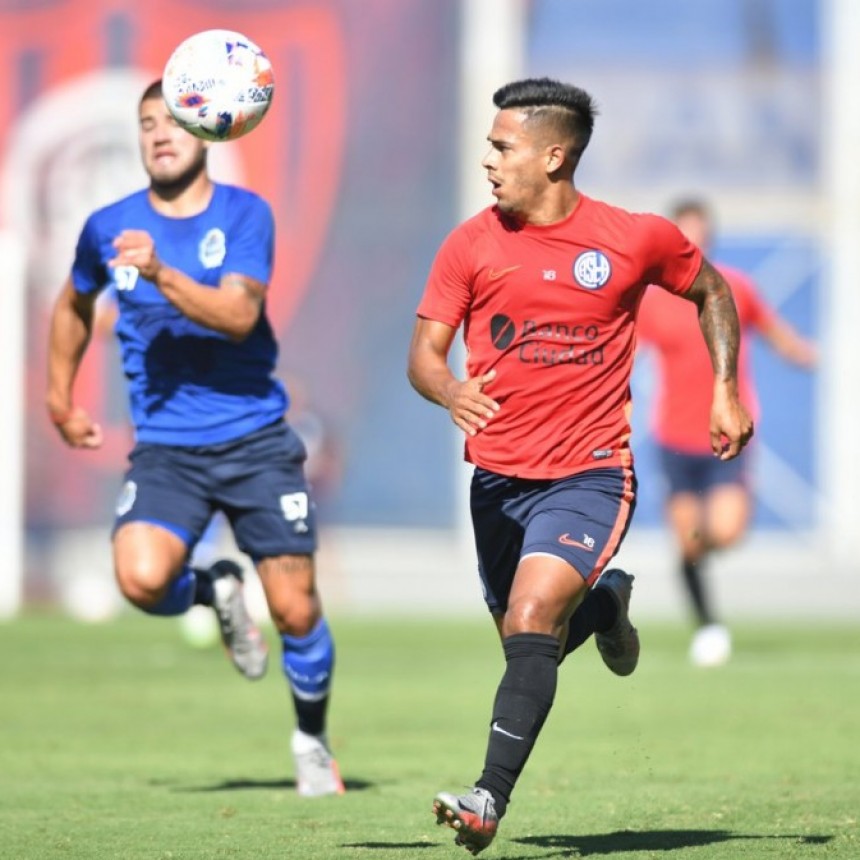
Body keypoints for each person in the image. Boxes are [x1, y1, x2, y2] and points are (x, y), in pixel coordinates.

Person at [407, 77, 753, 855]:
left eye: (504, 147)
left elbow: (712, 289)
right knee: (528, 642)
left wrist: (724, 388)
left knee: (531, 618)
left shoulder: (633, 238)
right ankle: (605, 607)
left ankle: (486, 801)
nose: (489, 160)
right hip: (497, 480)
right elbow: (423, 358)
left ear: (554, 155)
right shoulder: (470, 243)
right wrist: (450, 390)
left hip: (591, 473)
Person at [45, 80, 344, 798]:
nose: (158, 134)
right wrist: (58, 396)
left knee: (297, 607)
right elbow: (74, 302)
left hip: (255, 441)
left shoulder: (245, 214)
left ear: (205, 132)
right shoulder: (107, 226)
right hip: (167, 450)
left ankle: (311, 741)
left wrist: (157, 271)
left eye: (171, 122)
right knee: (141, 579)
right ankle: (215, 585)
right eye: (146, 124)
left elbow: (239, 315)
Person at [637, 198, 817, 667]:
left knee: (726, 531)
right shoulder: (654, 302)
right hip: (674, 438)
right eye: (684, 234)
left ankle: (702, 570)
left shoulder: (734, 289)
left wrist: (806, 354)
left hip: (726, 436)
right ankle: (709, 627)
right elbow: (626, 354)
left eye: (699, 233)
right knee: (690, 543)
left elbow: (776, 334)